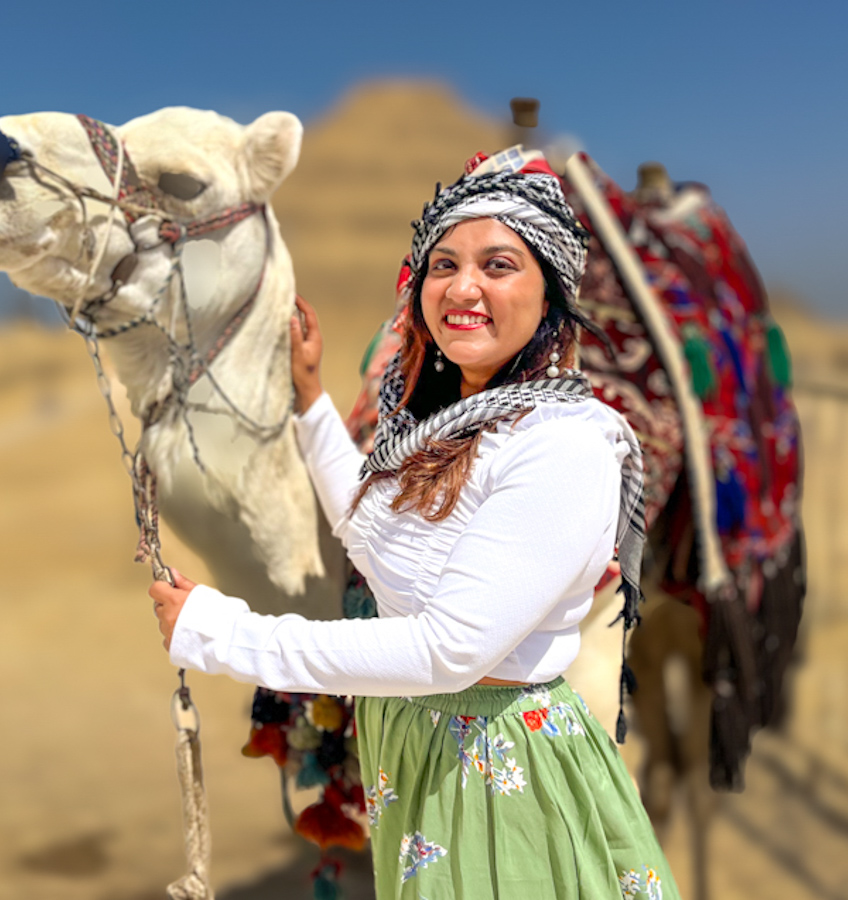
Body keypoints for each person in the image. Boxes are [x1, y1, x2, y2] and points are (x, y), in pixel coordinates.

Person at [150, 158, 680, 900]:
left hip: (501, 767)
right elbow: (376, 537)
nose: (463, 288)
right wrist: (311, 404)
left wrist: (223, 634)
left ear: (551, 293)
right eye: (444, 265)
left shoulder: (563, 444)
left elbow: (450, 648)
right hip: (426, 752)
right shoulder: (447, 431)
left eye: (499, 265)